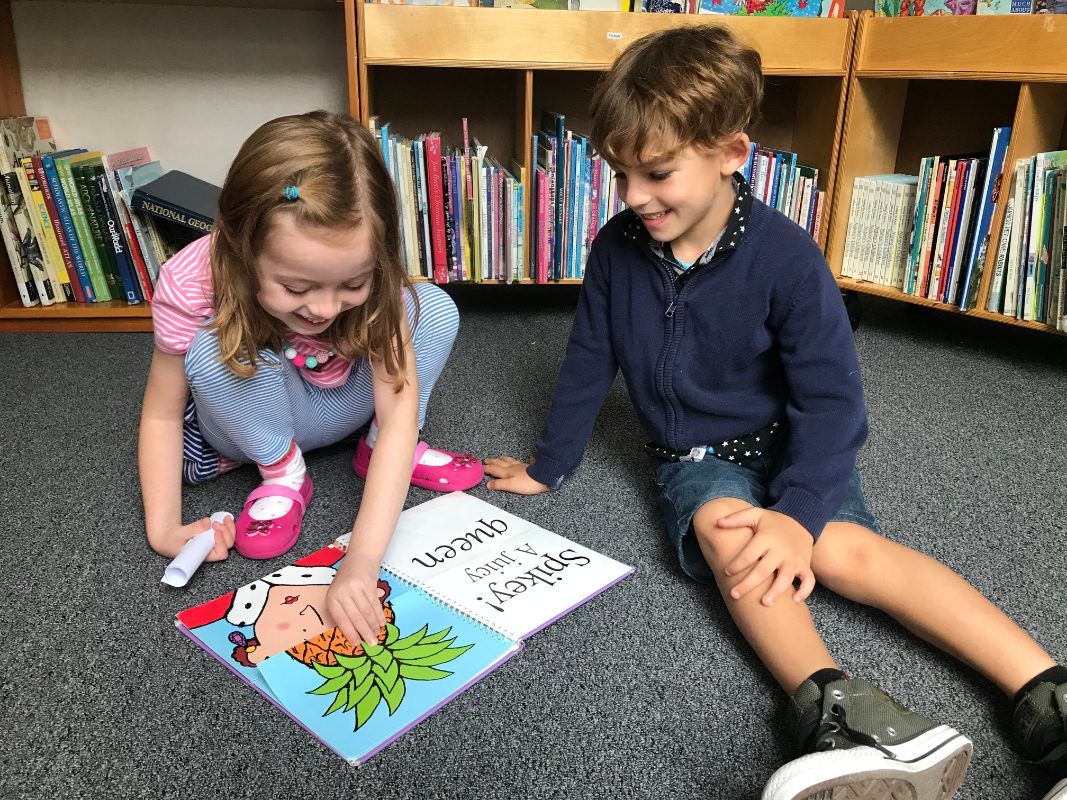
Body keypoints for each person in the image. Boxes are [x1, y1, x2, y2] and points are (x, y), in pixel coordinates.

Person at [484, 26, 1067, 800]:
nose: (631, 196)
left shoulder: (788, 258)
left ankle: (1046, 694)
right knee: (730, 537)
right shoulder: (614, 251)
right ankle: (841, 714)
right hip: (696, 455)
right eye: (619, 173)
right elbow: (590, 357)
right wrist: (550, 463)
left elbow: (830, 402)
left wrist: (797, 513)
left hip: (792, 442)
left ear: (730, 152)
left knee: (844, 552)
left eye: (656, 173)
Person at [139, 110, 482, 648]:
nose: (323, 309)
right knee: (213, 347)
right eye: (297, 288)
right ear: (241, 246)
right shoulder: (191, 278)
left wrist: (361, 561)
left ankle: (372, 452)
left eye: (352, 283)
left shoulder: (375, 274)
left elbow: (398, 414)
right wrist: (163, 528)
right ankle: (282, 473)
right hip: (252, 422)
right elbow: (162, 413)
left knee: (430, 306)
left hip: (337, 405)